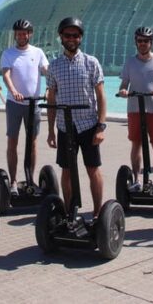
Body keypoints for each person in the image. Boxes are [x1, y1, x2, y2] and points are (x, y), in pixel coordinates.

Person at [46, 17, 107, 218]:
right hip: (65, 127)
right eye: (67, 35)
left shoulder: (92, 62)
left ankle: (98, 212)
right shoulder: (54, 66)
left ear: (80, 38)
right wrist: (50, 131)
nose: (71, 39)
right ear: (61, 37)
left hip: (88, 125)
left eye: (75, 35)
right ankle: (70, 211)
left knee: (93, 169)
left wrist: (100, 127)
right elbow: (52, 100)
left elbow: (101, 97)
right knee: (66, 171)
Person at [118, 26, 153, 194]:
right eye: (140, 41)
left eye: (146, 41)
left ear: (151, 42)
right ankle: (136, 179)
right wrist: (123, 91)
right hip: (135, 109)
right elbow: (123, 84)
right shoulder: (129, 62)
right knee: (136, 144)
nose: (142, 44)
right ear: (136, 42)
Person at [0, 19, 49, 195]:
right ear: (15, 35)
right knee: (12, 141)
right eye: (19, 33)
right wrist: (13, 91)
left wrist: (50, 86)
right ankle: (13, 181)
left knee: (32, 142)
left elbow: (46, 70)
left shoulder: (38, 52)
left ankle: (30, 179)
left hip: (33, 103)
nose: (22, 36)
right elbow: (6, 75)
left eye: (25, 33)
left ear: (30, 34)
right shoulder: (8, 53)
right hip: (15, 103)